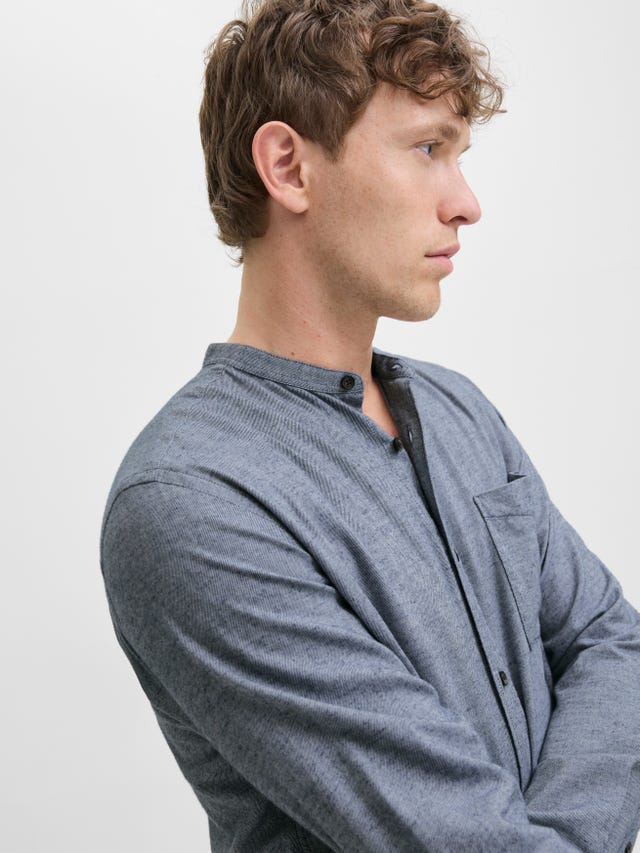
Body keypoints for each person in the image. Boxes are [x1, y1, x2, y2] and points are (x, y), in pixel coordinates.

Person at [100, 1, 640, 850]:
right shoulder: (190, 500)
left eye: (460, 156)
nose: (466, 203)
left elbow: (614, 642)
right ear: (288, 166)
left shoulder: (461, 411)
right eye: (427, 149)